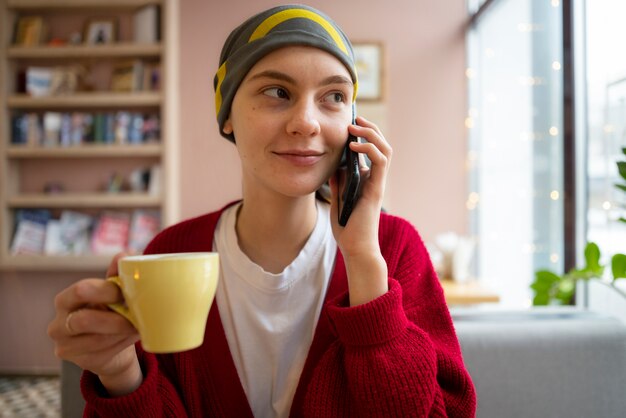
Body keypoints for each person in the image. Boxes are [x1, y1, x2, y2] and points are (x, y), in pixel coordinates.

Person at [47, 4, 477, 417]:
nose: (306, 122)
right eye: (277, 92)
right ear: (228, 113)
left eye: (333, 97)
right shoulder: (172, 251)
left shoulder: (392, 247)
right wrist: (122, 373)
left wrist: (364, 262)